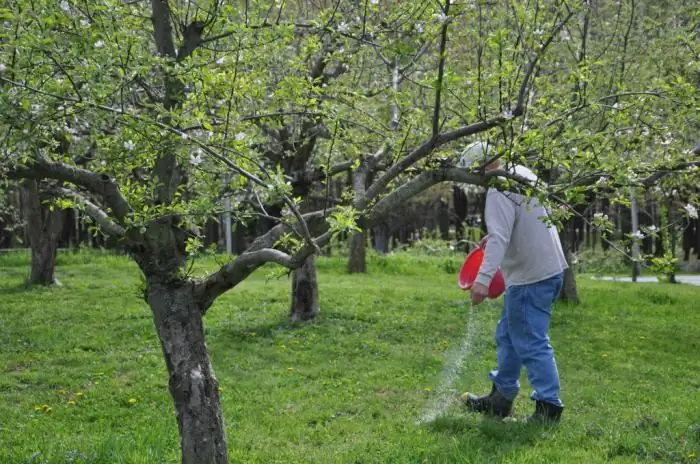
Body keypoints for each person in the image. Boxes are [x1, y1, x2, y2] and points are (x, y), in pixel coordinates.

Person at [457, 141, 568, 423]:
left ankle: (548, 407)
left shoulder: (498, 189)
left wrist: (482, 280)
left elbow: (500, 238)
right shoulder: (521, 174)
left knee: (531, 340)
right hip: (546, 270)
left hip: (531, 277)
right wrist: (495, 238)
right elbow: (520, 222)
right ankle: (500, 398)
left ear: (480, 169)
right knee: (508, 335)